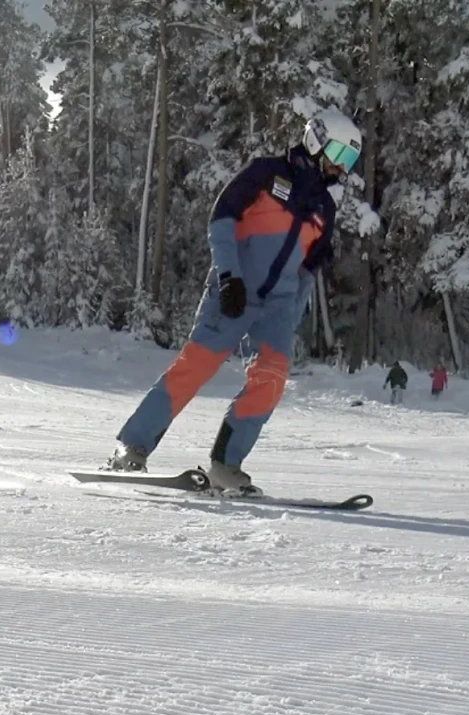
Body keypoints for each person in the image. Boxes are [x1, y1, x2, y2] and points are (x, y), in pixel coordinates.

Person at [103, 107, 362, 496]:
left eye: (351, 161)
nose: (343, 169)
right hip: (234, 288)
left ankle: (226, 465)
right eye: (340, 156)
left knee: (272, 376)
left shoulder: (325, 208)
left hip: (277, 304)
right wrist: (228, 276)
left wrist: (289, 316)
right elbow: (222, 219)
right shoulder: (266, 173)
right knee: (196, 366)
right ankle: (131, 447)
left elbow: (309, 269)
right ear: (316, 140)